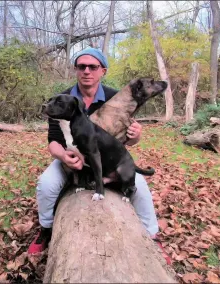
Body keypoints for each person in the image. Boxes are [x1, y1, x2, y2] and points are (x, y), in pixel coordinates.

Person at [28, 48, 170, 264]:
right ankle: (46, 229)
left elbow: (125, 140)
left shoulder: (118, 98)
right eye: (81, 66)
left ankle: (152, 235)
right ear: (76, 70)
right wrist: (64, 157)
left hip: (106, 159)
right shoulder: (61, 99)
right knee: (46, 184)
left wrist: (136, 136)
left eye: (92, 66)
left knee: (140, 187)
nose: (86, 71)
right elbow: (53, 140)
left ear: (102, 70)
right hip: (71, 157)